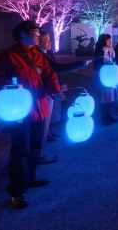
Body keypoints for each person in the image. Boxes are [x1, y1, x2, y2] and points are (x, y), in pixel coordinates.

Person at [0, 20, 62, 209]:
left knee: (36, 145)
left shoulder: (38, 55)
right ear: (23, 34)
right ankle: (17, 190)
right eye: (35, 32)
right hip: (19, 110)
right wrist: (8, 86)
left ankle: (31, 176)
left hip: (40, 107)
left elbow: (49, 74)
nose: (38, 36)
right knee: (20, 149)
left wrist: (54, 89)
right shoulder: (8, 56)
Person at [37, 30, 91, 160]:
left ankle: (43, 146)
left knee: (49, 116)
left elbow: (56, 72)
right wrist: (82, 63)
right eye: (46, 40)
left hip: (50, 88)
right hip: (43, 91)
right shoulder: (40, 55)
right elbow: (58, 68)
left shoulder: (46, 54)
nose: (50, 42)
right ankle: (39, 154)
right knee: (43, 121)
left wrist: (60, 82)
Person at [93, 33, 118, 125]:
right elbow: (96, 65)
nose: (110, 41)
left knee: (111, 96)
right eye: (108, 40)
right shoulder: (99, 51)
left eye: (110, 40)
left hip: (111, 75)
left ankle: (109, 115)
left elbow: (114, 61)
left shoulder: (112, 50)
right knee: (104, 97)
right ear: (103, 41)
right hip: (103, 76)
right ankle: (104, 118)